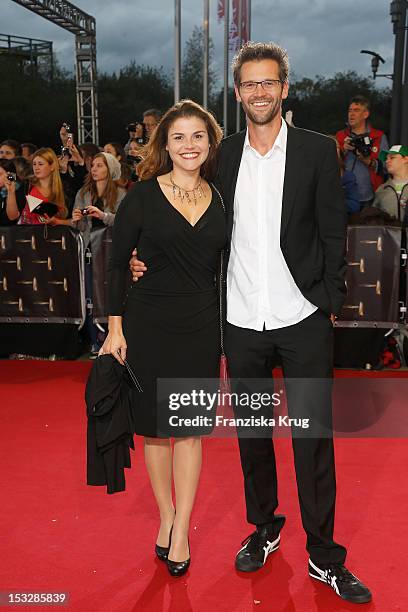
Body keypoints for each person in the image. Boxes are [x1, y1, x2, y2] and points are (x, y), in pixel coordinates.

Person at [130, 43, 371, 603]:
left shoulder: (316, 152)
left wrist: (329, 299)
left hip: (302, 316)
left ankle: (324, 556)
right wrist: (145, 257)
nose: (259, 92)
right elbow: (184, 212)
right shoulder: (223, 156)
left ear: (285, 88)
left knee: (313, 440)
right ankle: (264, 528)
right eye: (249, 84)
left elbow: (334, 231)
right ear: (237, 94)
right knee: (254, 435)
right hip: (240, 320)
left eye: (269, 83)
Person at [99, 100, 225, 577]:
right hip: (148, 323)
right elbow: (117, 262)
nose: (188, 145)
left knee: (190, 432)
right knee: (154, 430)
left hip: (200, 326)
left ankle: (183, 528)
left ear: (210, 143)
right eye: (179, 137)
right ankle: (166, 516)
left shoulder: (221, 197)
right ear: (165, 145)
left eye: (197, 136)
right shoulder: (142, 196)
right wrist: (116, 328)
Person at [72, 152, 126, 356]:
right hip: (88, 249)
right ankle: (95, 340)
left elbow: (124, 221)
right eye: (92, 165)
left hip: (111, 250)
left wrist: (103, 215)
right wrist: (76, 218)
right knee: (89, 295)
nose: (94, 169)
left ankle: (114, 337)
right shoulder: (84, 192)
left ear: (110, 168)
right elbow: (74, 223)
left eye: (99, 165)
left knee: (110, 293)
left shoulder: (120, 193)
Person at [336, 95, 388, 208]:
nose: (352, 114)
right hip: (344, 196)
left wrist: (368, 161)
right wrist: (343, 150)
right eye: (350, 110)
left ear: (365, 114)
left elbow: (386, 167)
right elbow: (330, 165)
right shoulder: (340, 136)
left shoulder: (378, 137)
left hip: (369, 198)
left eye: (356, 110)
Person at [17, 148, 68, 225]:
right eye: (34, 164)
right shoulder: (26, 185)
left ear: (52, 167)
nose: (36, 168)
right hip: (27, 233)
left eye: (40, 164)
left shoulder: (63, 188)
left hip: (52, 233)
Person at [373, 145, 408, 222]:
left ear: (406, 159)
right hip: (389, 233)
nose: (386, 161)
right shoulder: (381, 189)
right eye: (386, 159)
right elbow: (375, 219)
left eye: (392, 158)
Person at [0, 159, 27, 225]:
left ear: (10, 175)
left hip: (11, 232)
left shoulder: (20, 190)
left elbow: (12, 217)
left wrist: (10, 192)